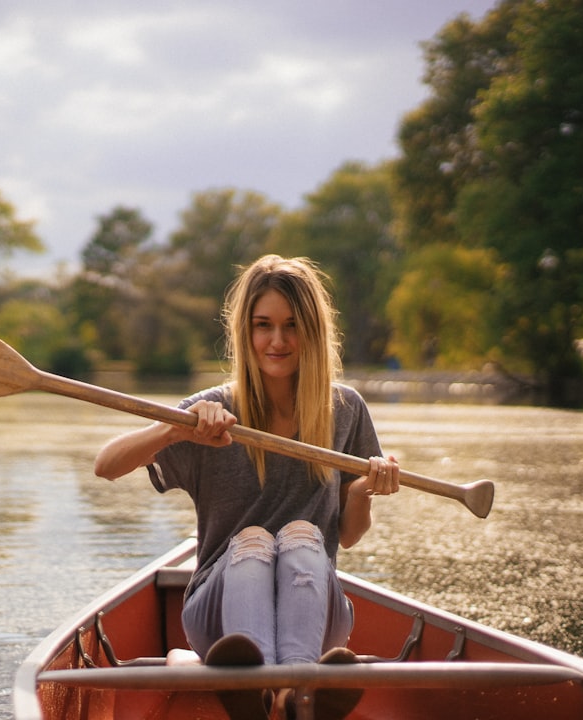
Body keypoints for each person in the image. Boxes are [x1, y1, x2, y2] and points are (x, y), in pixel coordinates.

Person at [94, 254, 399, 719]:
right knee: (253, 541)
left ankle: (275, 693)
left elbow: (351, 535)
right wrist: (174, 429)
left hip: (316, 612)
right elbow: (106, 466)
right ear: (245, 330)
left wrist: (361, 492)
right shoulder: (209, 410)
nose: (277, 340)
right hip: (221, 621)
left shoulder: (345, 409)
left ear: (313, 331)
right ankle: (294, 689)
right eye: (263, 325)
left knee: (302, 535)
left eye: (292, 325)